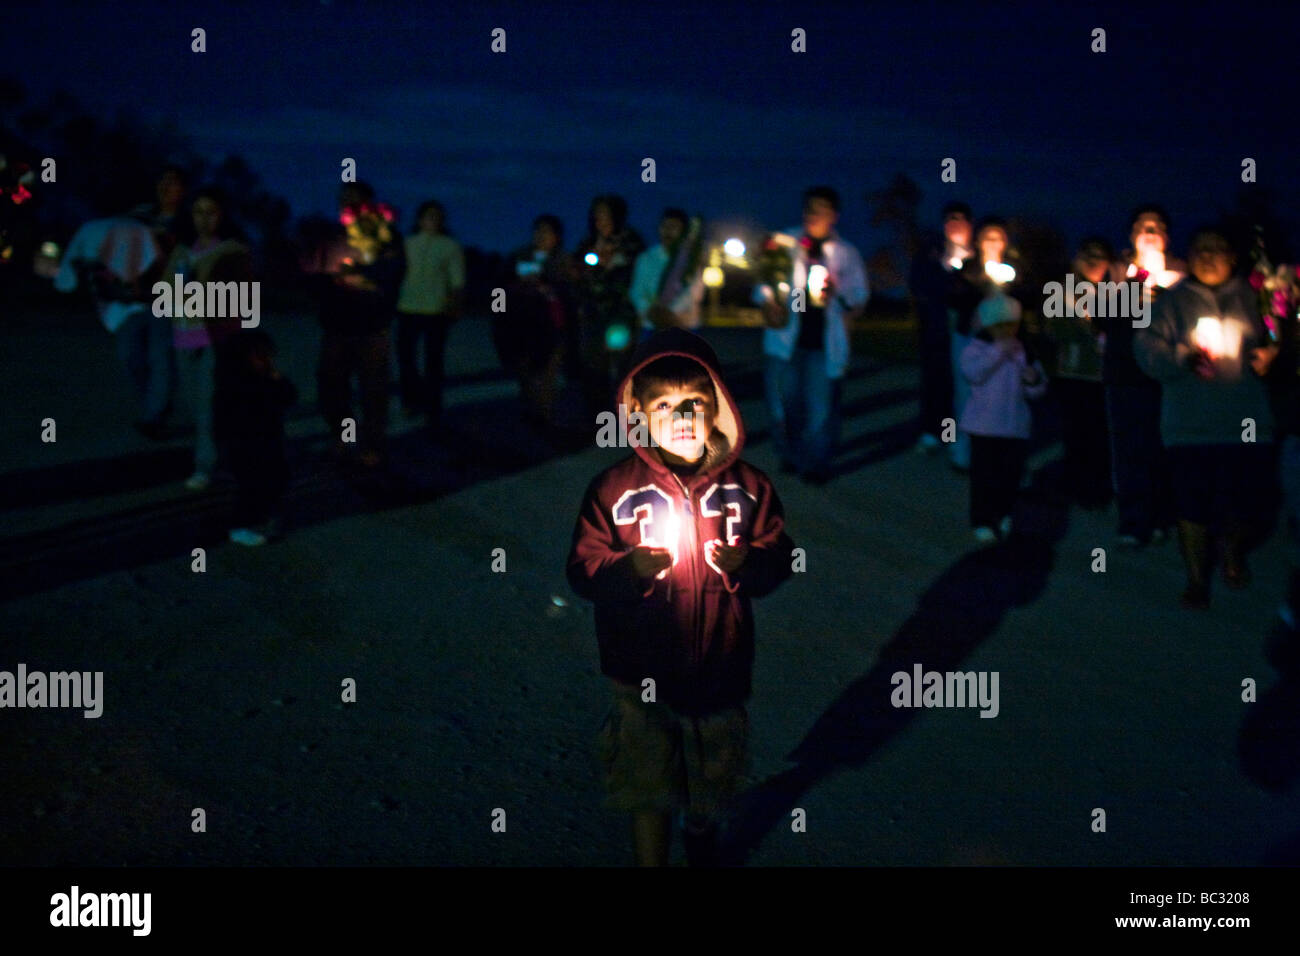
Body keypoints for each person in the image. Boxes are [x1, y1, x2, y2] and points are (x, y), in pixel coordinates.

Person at [567, 329, 795, 867]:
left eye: (696, 400)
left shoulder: (750, 487)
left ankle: (701, 832)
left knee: (710, 779)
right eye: (665, 404)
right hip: (639, 670)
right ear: (638, 413)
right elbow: (582, 570)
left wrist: (752, 563)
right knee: (648, 785)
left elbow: (781, 554)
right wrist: (627, 572)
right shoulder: (613, 490)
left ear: (719, 406)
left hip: (720, 665)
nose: (683, 413)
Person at [1135, 227, 1278, 609]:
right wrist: (1182, 357)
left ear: (1232, 257)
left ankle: (1232, 555)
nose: (1208, 255)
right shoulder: (1170, 303)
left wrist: (1273, 355)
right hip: (1188, 426)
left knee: (1241, 502)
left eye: (1218, 248)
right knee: (1191, 505)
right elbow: (1146, 351)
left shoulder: (1255, 296)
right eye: (1200, 249)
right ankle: (1197, 577)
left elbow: (1280, 334)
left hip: (1245, 424)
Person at [752, 186, 869, 484]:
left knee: (820, 411)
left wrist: (836, 293)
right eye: (809, 208)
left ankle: (816, 464)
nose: (812, 215)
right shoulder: (783, 244)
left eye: (821, 209)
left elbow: (858, 297)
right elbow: (764, 283)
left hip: (823, 345)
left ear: (834, 216)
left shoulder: (846, 254)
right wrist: (769, 301)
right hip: (785, 342)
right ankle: (790, 453)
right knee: (784, 406)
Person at [1098, 206, 1185, 547]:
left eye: (1157, 226)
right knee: (1129, 445)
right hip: (1126, 371)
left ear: (1167, 236)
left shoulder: (1181, 272)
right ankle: (1134, 519)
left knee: (1163, 446)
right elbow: (1104, 319)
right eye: (1142, 226)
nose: (1149, 231)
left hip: (1168, 374)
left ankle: (1162, 515)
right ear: (1131, 234)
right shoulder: (1118, 272)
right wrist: (1131, 293)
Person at [163, 186, 252, 490]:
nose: (204, 219)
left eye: (211, 212)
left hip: (217, 337)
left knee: (210, 404)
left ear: (222, 215)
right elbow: (165, 293)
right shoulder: (181, 252)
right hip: (184, 335)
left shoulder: (233, 252)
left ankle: (207, 466)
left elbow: (243, 299)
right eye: (198, 211)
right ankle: (221, 461)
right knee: (195, 405)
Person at [52, 212, 172, 438]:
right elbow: (77, 269)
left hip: (156, 301)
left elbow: (157, 262)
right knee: (133, 358)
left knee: (160, 359)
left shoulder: (142, 227)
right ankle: (153, 408)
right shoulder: (98, 229)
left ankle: (155, 415)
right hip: (125, 307)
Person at [315, 182, 405, 468]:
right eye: (343, 200)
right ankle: (345, 435)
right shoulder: (332, 236)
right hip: (336, 325)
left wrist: (363, 277)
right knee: (331, 385)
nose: (346, 206)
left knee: (374, 390)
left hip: (373, 326)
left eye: (353, 201)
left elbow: (393, 273)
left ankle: (373, 445)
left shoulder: (387, 237)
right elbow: (315, 273)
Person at [959, 293, 1048, 542]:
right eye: (1002, 326)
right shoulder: (976, 348)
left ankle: (1005, 512)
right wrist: (997, 352)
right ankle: (982, 519)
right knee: (984, 476)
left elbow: (1037, 389)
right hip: (984, 427)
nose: (1008, 331)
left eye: (1012, 326)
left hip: (1015, 426)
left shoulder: (1025, 351)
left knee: (1010, 475)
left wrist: (1034, 380)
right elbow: (974, 374)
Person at [947, 217, 1021, 471]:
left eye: (998, 237)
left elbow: (1025, 299)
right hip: (970, 339)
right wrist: (980, 289)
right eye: (988, 236)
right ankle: (962, 451)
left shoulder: (1012, 269)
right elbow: (956, 300)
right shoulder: (967, 269)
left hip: (1002, 342)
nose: (993, 242)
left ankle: (996, 454)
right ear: (978, 241)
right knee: (966, 395)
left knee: (1000, 395)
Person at [213, 329, 297, 547]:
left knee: (275, 479)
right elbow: (226, 417)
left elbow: (289, 397)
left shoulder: (265, 378)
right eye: (261, 357)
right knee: (252, 486)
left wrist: (278, 380)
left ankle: (263, 515)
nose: (268, 361)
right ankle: (239, 525)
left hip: (269, 442)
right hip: (246, 446)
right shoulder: (237, 385)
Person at [1046, 237, 1113, 507]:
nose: (1094, 261)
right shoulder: (1062, 289)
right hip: (1073, 374)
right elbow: (1054, 329)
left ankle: (1100, 486)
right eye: (1088, 254)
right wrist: (1086, 325)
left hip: (1105, 375)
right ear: (1078, 258)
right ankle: (1077, 485)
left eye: (1100, 255)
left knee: (1101, 434)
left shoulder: (1115, 292)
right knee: (1076, 433)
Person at [909, 201, 973, 454]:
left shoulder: (978, 258)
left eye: (959, 218)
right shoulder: (931, 254)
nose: (954, 223)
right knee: (935, 380)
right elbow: (919, 284)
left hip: (967, 332)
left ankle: (960, 434)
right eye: (949, 218)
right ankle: (933, 431)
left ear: (970, 224)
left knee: (964, 384)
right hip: (936, 330)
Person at [395, 200, 464, 427]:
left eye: (437, 216)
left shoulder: (450, 246)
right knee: (406, 359)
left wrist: (454, 305)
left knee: (434, 361)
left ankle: (433, 407)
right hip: (407, 307)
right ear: (419, 219)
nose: (432, 220)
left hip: (436, 309)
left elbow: (457, 281)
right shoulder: (406, 243)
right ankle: (411, 400)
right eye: (428, 216)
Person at [497, 214, 572, 425]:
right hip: (522, 323)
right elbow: (500, 286)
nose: (541, 236)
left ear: (557, 237)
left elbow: (571, 291)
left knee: (548, 372)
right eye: (538, 231)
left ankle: (545, 415)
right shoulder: (518, 256)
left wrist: (550, 288)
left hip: (552, 325)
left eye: (547, 232)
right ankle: (530, 410)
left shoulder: (563, 260)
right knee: (524, 370)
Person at [573, 195, 644, 415]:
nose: (600, 220)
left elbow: (638, 274)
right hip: (592, 313)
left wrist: (613, 262)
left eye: (605, 214)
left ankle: (626, 413)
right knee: (593, 363)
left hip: (620, 313)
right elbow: (577, 271)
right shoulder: (588, 242)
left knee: (623, 363)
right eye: (596, 215)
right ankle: (597, 412)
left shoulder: (630, 241)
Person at [629, 207, 705, 341]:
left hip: (685, 326)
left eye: (674, 227)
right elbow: (637, 291)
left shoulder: (691, 259)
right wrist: (652, 312)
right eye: (665, 226)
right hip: (652, 327)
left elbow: (693, 294)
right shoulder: (647, 258)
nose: (668, 231)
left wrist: (668, 315)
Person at [131, 164, 188, 262]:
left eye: (172, 182)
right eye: (162, 180)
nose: (165, 186)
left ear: (183, 190)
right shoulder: (141, 211)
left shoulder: (187, 223)